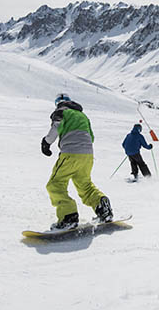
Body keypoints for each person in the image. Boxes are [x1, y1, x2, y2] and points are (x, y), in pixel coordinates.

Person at [41, 93, 112, 230]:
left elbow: (56, 128)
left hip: (70, 153)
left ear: (59, 103)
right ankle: (102, 206)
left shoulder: (61, 111)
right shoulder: (83, 116)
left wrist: (46, 143)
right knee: (84, 184)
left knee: (55, 184)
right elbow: (91, 136)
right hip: (87, 155)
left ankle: (69, 217)